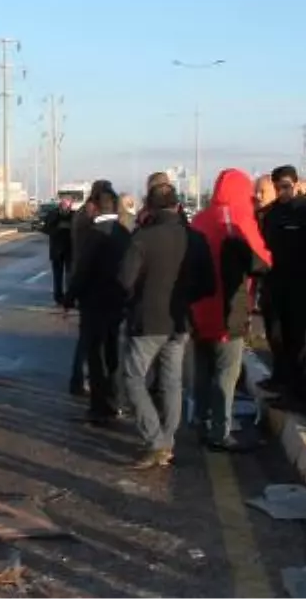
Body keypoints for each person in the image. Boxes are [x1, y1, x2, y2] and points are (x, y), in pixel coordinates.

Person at [119, 182, 215, 469]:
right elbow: (208, 284)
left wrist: (137, 299)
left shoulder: (142, 238)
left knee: (133, 379)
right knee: (172, 382)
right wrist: (185, 298)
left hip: (147, 321)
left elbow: (124, 280)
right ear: (178, 205)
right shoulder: (195, 238)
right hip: (180, 321)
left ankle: (156, 440)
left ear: (149, 206)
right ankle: (167, 441)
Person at [190, 169, 273, 451]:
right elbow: (262, 260)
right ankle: (220, 431)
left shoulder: (200, 219)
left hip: (198, 306)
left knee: (202, 369)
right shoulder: (237, 219)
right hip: (229, 308)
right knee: (226, 373)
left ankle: (199, 420)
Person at [262, 165, 306, 410]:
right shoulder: (271, 215)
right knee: (279, 337)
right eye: (277, 187)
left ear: (297, 185)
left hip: (304, 286)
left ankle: (303, 393)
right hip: (276, 285)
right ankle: (283, 382)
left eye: (287, 186)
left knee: (302, 342)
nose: (282, 192)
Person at [64, 188, 131, 424]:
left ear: (96, 206)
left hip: (94, 303)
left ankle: (99, 405)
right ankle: (114, 400)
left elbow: (82, 271)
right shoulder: (124, 233)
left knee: (95, 355)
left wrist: (69, 298)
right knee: (113, 352)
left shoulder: (95, 234)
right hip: (118, 302)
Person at [253, 175, 285, 392]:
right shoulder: (260, 216)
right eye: (256, 191)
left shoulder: (279, 216)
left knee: (284, 337)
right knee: (273, 335)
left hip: (284, 284)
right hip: (267, 284)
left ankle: (288, 383)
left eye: (262, 191)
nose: (257, 196)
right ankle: (277, 377)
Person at [45, 199, 74, 307]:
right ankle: (58, 297)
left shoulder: (74, 216)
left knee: (69, 275)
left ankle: (69, 297)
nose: (65, 208)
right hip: (57, 251)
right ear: (60, 206)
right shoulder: (53, 215)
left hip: (69, 250)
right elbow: (46, 229)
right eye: (63, 206)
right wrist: (57, 228)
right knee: (58, 276)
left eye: (67, 206)